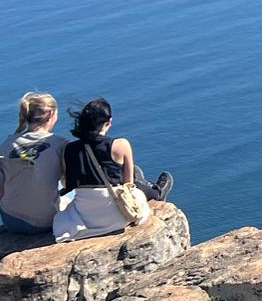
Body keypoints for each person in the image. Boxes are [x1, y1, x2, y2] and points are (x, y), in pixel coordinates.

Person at [52, 98, 174, 243]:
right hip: (119, 214)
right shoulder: (121, 145)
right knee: (135, 182)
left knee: (135, 174)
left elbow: (69, 184)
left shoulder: (69, 149)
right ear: (109, 122)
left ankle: (143, 180)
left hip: (86, 217)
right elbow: (128, 185)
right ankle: (157, 192)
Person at [1, 93, 67, 235]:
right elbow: (68, 183)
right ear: (51, 114)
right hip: (46, 222)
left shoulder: (6, 145)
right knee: (68, 197)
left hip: (12, 221)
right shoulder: (61, 144)